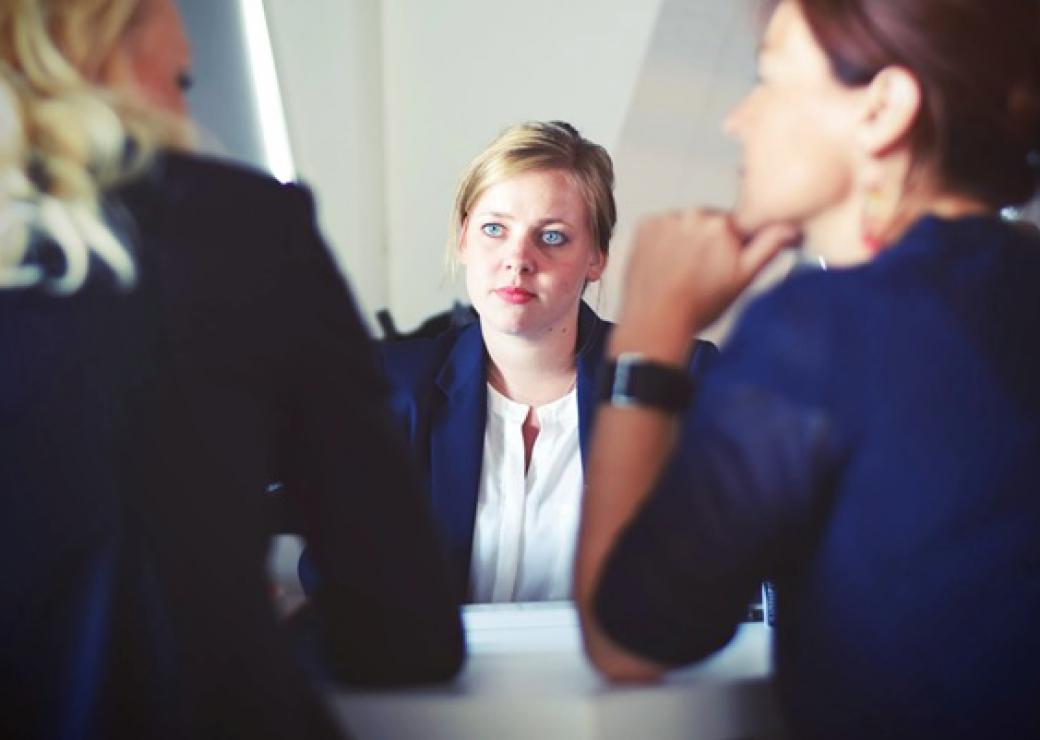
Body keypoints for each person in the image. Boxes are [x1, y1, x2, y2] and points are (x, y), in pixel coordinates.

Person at [576, 1, 1040, 738]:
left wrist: (651, 329)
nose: (739, 120)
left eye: (769, 78)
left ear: (882, 109)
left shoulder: (822, 329)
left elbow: (627, 639)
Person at [0, 1, 463, 739]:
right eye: (182, 77)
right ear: (102, 42)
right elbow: (404, 629)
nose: (185, 110)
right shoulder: (241, 230)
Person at [380, 121, 718, 602]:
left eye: (553, 237)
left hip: (617, 676)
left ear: (596, 258)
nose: (517, 259)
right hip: (434, 676)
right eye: (494, 229)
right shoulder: (390, 388)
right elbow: (339, 585)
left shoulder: (680, 380)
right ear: (463, 239)